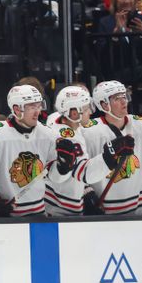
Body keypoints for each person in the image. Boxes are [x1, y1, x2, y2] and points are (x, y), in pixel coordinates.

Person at [0, 85, 80, 217]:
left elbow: (54, 178)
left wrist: (63, 167)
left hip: (37, 215)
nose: (38, 111)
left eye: (39, 105)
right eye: (32, 107)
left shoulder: (48, 135)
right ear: (16, 109)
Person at [79, 80, 142, 215]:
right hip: (103, 217)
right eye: (116, 98)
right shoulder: (89, 132)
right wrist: (86, 192)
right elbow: (78, 170)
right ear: (103, 104)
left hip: (137, 214)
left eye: (124, 96)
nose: (124, 102)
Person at [43, 85, 96, 216]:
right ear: (73, 113)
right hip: (60, 209)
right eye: (86, 108)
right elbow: (85, 173)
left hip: (51, 200)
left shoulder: (55, 118)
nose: (90, 111)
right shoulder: (71, 139)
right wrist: (110, 157)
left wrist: (85, 189)